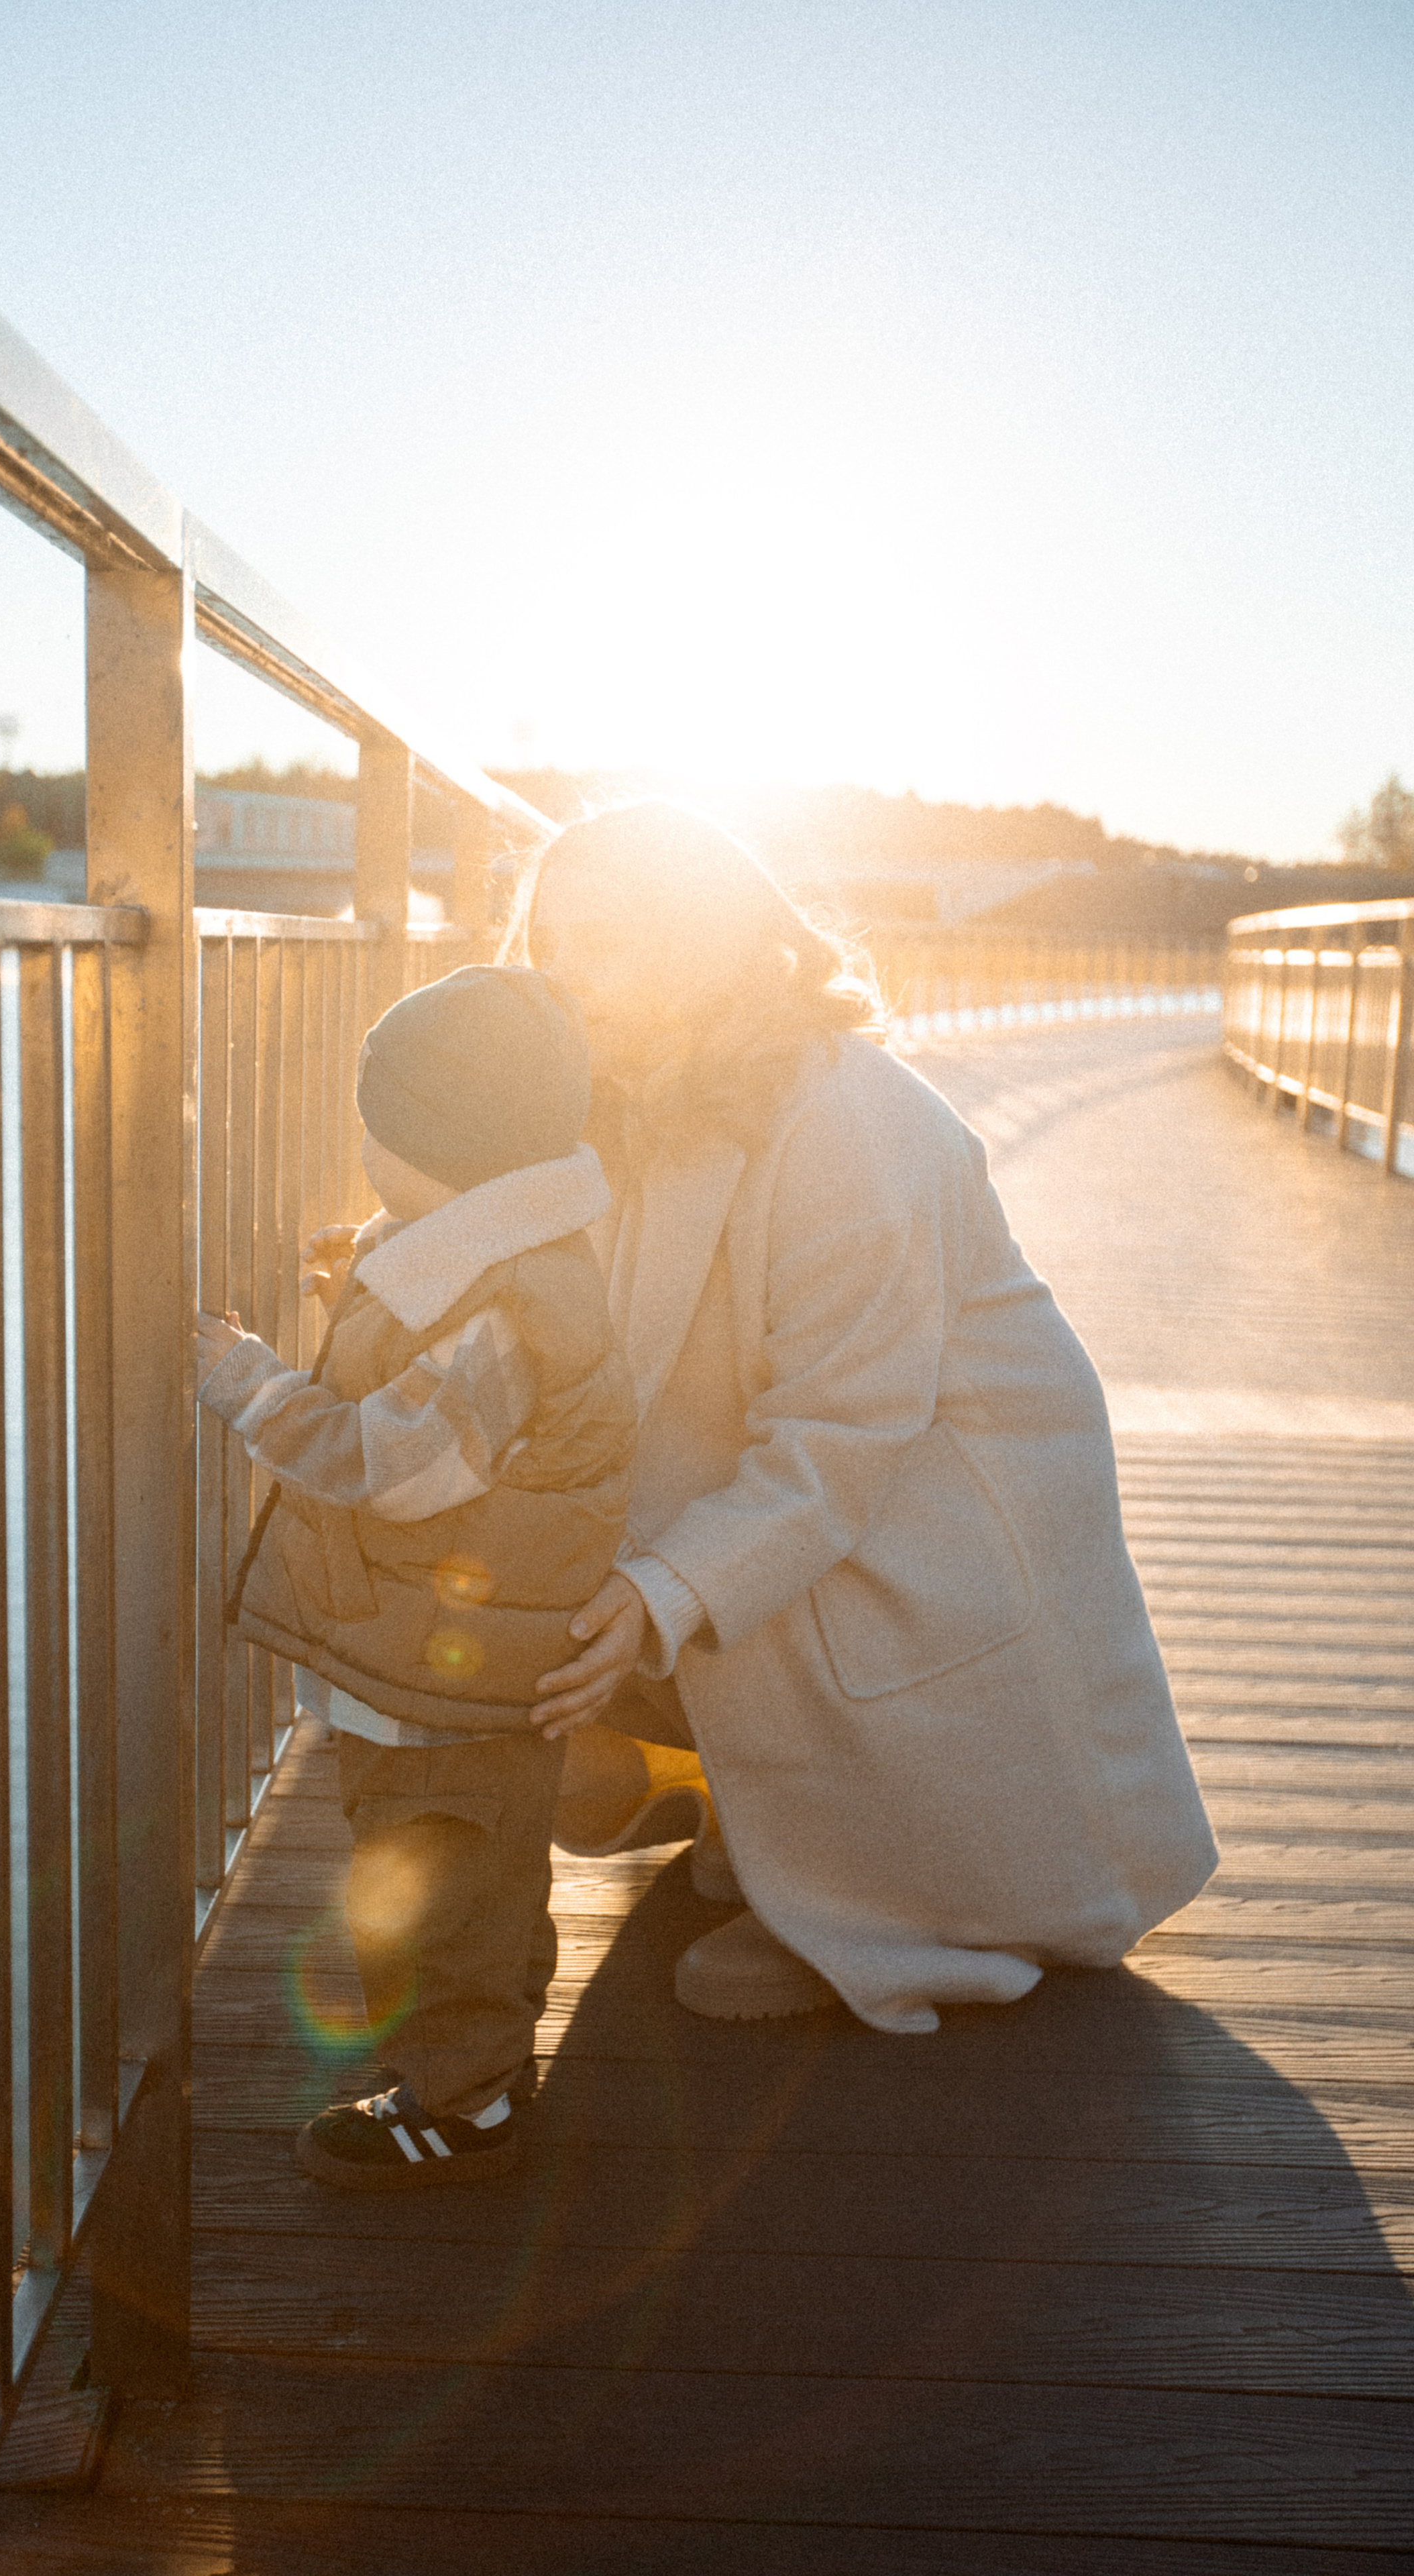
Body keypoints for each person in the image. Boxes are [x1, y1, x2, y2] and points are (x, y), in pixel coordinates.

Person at [512, 799, 1217, 2034]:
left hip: (919, 1513)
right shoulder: (635, 1093)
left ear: (704, 945)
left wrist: (658, 1596)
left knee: (699, 1595)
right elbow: (576, 1282)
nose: (572, 981)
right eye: (553, 950)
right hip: (790, 1483)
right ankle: (741, 1801)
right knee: (528, 1586)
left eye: (610, 945)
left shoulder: (846, 1122)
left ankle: (879, 1900)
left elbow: (840, 1447)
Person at [195, 963, 636, 2188]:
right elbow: (439, 1388)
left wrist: (244, 1381)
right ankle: (472, 2064)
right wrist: (366, 1287)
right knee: (457, 1873)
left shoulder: (504, 1313)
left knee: (453, 1891)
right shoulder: (487, 1255)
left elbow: (385, 1462)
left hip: (453, 1670)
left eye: (380, 1134)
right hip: (438, 1650)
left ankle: (467, 2106)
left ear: (451, 1154)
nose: (366, 1152)